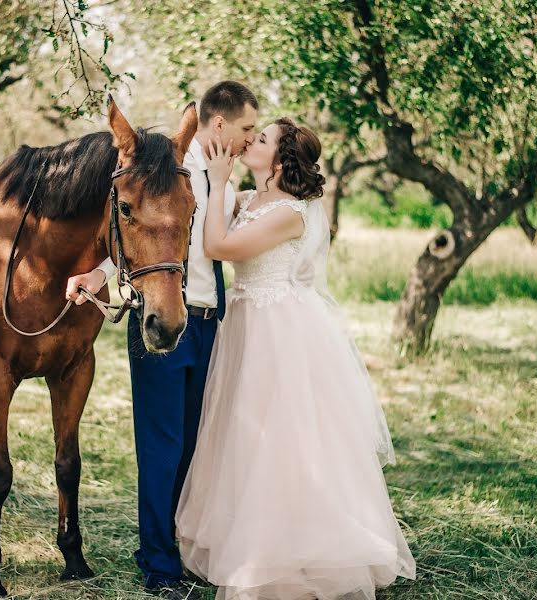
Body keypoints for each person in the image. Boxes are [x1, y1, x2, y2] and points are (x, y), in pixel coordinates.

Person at [174, 118, 416, 600]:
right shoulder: (248, 200)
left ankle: (291, 546)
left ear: (282, 159)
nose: (251, 142)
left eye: (260, 139)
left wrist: (221, 181)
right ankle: (238, 536)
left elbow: (218, 245)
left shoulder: (292, 212)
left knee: (280, 438)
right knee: (240, 432)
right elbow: (208, 215)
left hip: (277, 330)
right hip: (242, 323)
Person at [66, 81, 258, 599]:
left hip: (210, 321)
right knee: (163, 445)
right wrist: (98, 276)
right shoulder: (164, 167)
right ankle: (157, 562)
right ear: (216, 125)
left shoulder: (219, 175)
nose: (249, 139)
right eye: (245, 130)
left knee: (195, 441)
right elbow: (138, 230)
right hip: (163, 319)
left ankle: (182, 543)